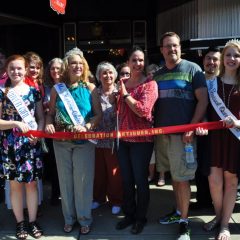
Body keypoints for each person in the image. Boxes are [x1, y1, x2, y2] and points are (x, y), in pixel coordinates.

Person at [154, 32, 208, 240]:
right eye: (167, 46)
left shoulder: (193, 69)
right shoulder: (157, 74)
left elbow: (202, 101)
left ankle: (184, 223)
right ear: (162, 50)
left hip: (183, 137)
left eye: (175, 45)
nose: (172, 49)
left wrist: (191, 127)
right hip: (162, 136)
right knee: (174, 178)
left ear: (180, 47)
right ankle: (178, 212)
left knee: (183, 179)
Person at [45, 47, 102, 235]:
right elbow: (50, 114)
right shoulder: (57, 89)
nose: (77, 66)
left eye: (80, 63)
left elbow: (98, 115)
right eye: (73, 63)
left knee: (83, 181)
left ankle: (84, 218)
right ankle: (69, 218)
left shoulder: (91, 88)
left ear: (84, 66)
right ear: (66, 67)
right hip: (61, 142)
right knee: (66, 182)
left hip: (84, 142)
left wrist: (87, 127)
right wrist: (48, 124)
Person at [0, 54, 44, 239]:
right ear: (7, 71)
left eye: (19, 68)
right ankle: (20, 224)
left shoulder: (34, 91)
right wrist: (15, 124)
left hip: (30, 143)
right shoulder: (2, 92)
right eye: (12, 68)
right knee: (16, 186)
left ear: (26, 69)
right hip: (10, 145)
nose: (16, 72)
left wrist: (38, 133)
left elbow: (41, 117)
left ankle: (32, 222)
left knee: (32, 185)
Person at [115, 46, 158, 234]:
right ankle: (129, 215)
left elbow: (143, 110)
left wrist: (125, 95)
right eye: (134, 60)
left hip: (142, 140)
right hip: (123, 140)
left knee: (141, 180)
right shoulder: (122, 82)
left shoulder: (150, 84)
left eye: (141, 60)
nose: (138, 64)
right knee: (126, 180)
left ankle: (141, 218)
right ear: (128, 63)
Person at [202, 40, 240, 240]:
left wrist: (237, 123)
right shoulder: (211, 83)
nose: (232, 59)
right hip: (215, 138)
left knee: (231, 182)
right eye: (228, 55)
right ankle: (219, 217)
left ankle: (224, 224)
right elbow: (205, 110)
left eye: (236, 55)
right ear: (222, 58)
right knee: (214, 182)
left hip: (235, 138)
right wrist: (203, 123)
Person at [190, 46, 221, 211]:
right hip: (201, 130)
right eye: (208, 58)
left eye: (215, 59)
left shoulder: (224, 80)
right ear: (203, 61)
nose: (211, 62)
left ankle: (219, 203)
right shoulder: (197, 78)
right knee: (201, 167)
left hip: (222, 132)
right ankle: (203, 200)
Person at [92, 61, 123, 215]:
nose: (107, 75)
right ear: (98, 76)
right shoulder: (94, 93)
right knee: (98, 173)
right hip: (97, 140)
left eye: (110, 72)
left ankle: (116, 200)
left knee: (114, 173)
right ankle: (98, 198)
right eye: (104, 73)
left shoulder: (120, 91)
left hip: (114, 140)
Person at [43, 58, 64, 205]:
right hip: (51, 130)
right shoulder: (45, 87)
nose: (55, 71)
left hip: (67, 130)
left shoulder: (69, 86)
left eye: (58, 68)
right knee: (54, 164)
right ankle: (55, 193)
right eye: (52, 69)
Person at [146, 63, 165, 185]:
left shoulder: (162, 85)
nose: (151, 75)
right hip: (149, 123)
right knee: (151, 152)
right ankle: (151, 175)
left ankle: (162, 176)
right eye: (148, 73)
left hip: (162, 121)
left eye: (153, 72)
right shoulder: (145, 86)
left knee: (161, 150)